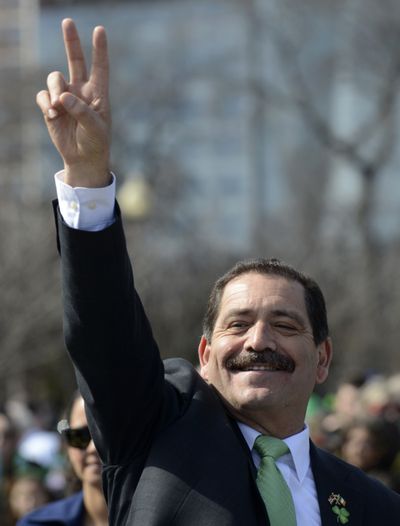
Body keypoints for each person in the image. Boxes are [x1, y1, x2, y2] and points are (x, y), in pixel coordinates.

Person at [36, 17, 400, 526]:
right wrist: (88, 179)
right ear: (205, 356)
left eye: (286, 324)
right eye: (237, 323)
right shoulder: (154, 432)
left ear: (323, 358)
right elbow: (104, 332)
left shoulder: (375, 505)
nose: (259, 339)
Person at [17, 392, 108, 526]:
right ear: (66, 445)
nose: (92, 448)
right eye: (80, 436)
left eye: (103, 436)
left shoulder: (149, 517)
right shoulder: (38, 523)